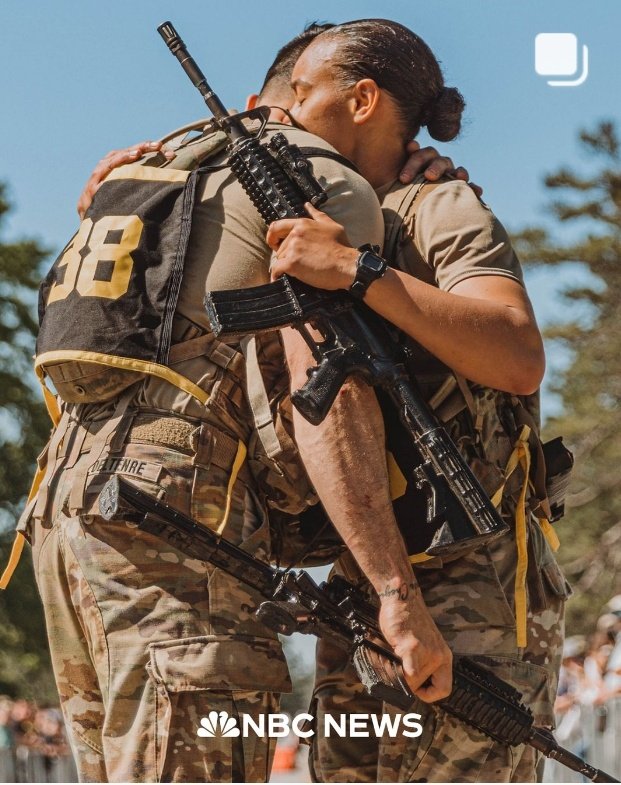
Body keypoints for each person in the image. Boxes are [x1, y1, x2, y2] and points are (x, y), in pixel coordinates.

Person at [26, 22, 462, 783]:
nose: (395, 167)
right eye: (399, 141)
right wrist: (395, 592)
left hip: (66, 511)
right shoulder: (319, 182)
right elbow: (322, 384)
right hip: (180, 533)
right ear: (358, 102)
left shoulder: (160, 165)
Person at [261, 20, 568, 782]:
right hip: (367, 583)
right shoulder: (326, 207)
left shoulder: (439, 205)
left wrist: (356, 270)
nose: (286, 110)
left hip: (474, 591)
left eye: (303, 91)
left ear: (361, 99)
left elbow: (516, 351)